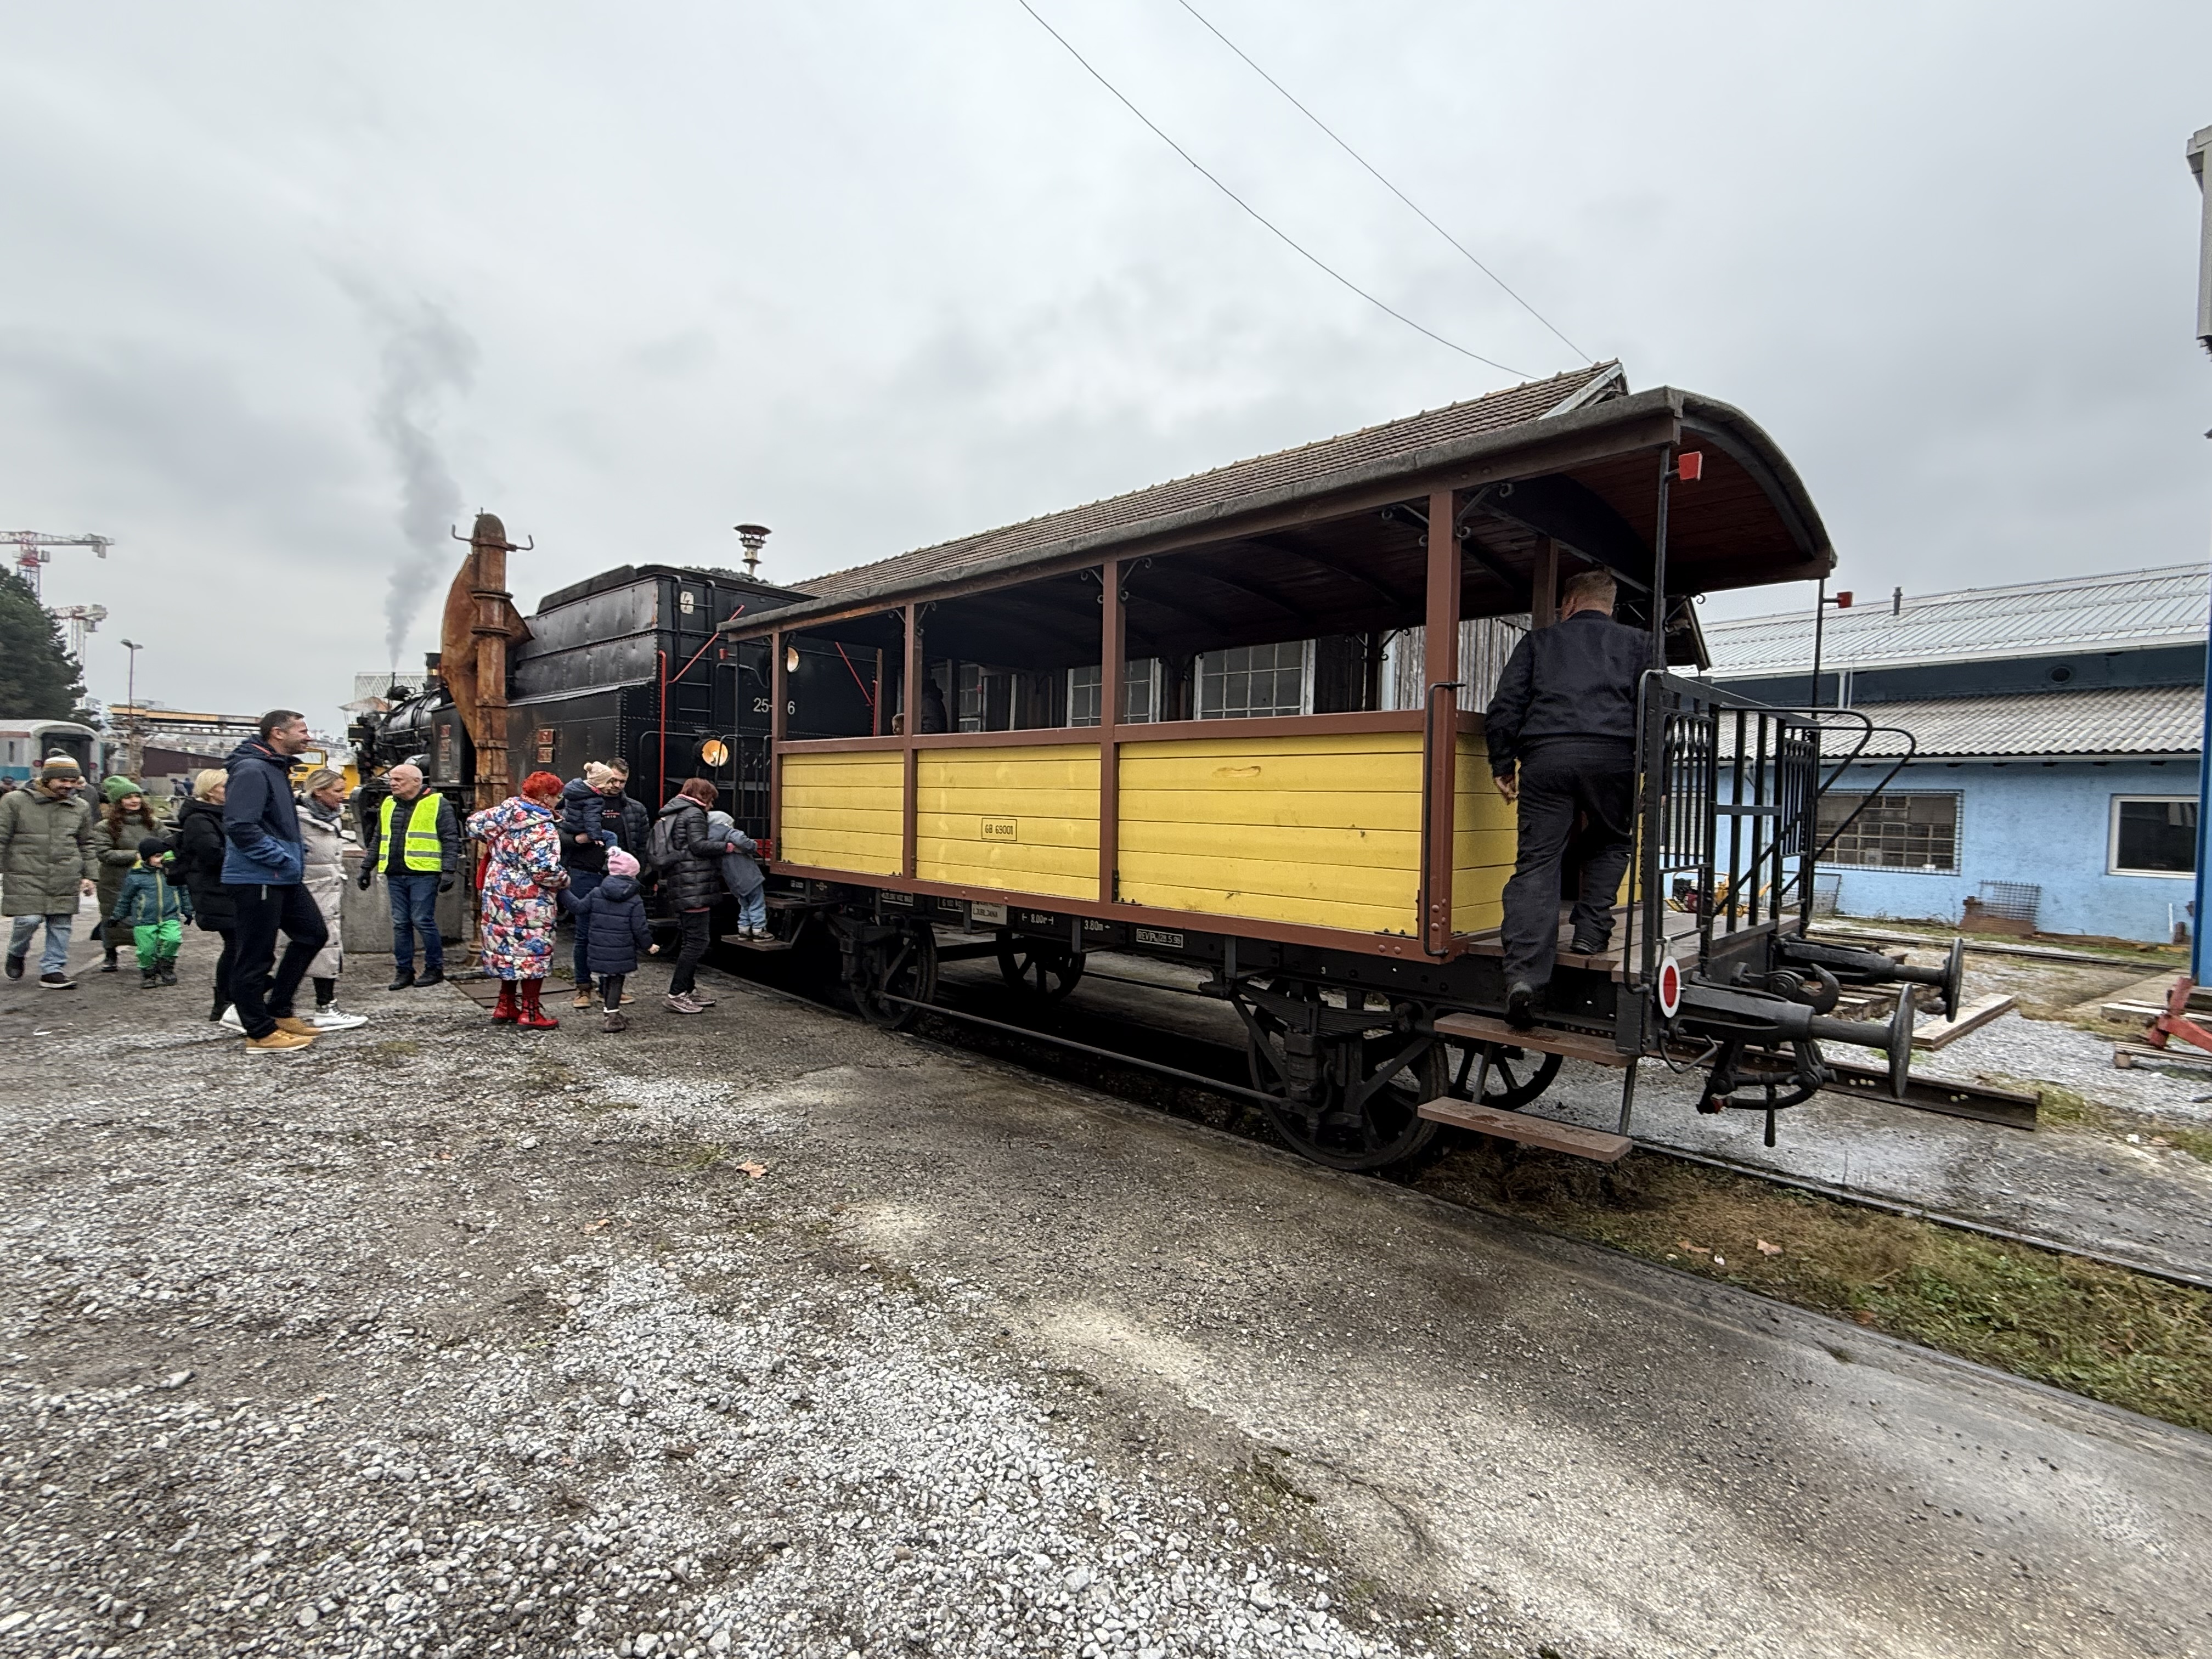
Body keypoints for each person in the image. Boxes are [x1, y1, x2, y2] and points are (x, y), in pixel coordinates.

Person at [1485, 569, 1654, 1030]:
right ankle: (1590, 934)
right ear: (1608, 605)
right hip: (1615, 757)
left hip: (1548, 757)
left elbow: (1505, 706)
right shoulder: (1641, 645)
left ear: (1571, 603)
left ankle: (1524, 976)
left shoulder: (1539, 643)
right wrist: (1649, 772)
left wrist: (1502, 763)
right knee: (1611, 840)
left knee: (1538, 861)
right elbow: (1658, 709)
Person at [223, 709, 327, 1055]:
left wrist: (295, 851)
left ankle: (279, 1010)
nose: (309, 737)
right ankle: (259, 1031)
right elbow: (240, 826)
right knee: (255, 954)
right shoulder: (253, 770)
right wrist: (281, 857)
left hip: (280, 874)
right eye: (303, 730)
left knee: (313, 934)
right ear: (278, 734)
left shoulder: (273, 768)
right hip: (259, 876)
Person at [466, 770, 569, 1029]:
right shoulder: (542, 827)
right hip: (529, 898)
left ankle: (505, 1005)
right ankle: (531, 1013)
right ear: (546, 798)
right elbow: (544, 871)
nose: (559, 801)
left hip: (498, 890)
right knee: (533, 951)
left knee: (507, 949)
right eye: (557, 796)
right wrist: (565, 880)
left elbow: (473, 824)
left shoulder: (504, 812)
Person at [557, 760, 653, 1009]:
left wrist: (637, 875)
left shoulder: (634, 809)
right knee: (584, 933)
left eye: (622, 782)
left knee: (615, 936)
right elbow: (556, 835)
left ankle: (609, 989)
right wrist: (577, 840)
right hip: (584, 871)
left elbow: (641, 845)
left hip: (617, 878)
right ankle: (583, 988)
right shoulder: (576, 801)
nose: (617, 786)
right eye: (613, 780)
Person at [357, 762, 459, 990]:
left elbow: (450, 838)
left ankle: (434, 969)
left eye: (398, 780)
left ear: (416, 782)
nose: (392, 784)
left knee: (422, 920)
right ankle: (404, 971)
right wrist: (366, 868)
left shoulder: (437, 803)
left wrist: (448, 871)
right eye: (391, 779)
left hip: (424, 872)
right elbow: (378, 838)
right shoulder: (388, 804)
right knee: (401, 923)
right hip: (395, 872)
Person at [0, 755, 96, 989]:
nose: (69, 786)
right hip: (25, 872)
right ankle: (16, 952)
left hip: (65, 873)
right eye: (63, 780)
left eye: (73, 781)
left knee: (61, 923)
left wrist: (90, 876)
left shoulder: (80, 807)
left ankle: (53, 970)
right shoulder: (14, 801)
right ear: (47, 778)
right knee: (28, 920)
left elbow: (86, 843)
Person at [651, 777, 738, 1015]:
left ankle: (688, 989)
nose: (711, 805)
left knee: (690, 939)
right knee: (698, 941)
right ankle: (677, 993)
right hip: (694, 884)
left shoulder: (676, 811)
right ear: (703, 796)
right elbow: (699, 846)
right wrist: (727, 847)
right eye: (710, 799)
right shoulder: (694, 814)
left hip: (683, 881)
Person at [296, 767, 367, 1030]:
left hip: (329, 889)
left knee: (329, 946)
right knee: (312, 946)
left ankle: (325, 1004)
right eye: (337, 791)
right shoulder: (298, 819)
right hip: (308, 890)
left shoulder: (332, 817)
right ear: (319, 791)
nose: (343, 796)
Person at [172, 770, 241, 1024]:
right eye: (225, 786)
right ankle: (225, 1001)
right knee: (235, 944)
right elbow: (213, 855)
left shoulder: (220, 815)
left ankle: (230, 999)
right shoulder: (199, 820)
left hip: (226, 889)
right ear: (211, 791)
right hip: (216, 890)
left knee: (239, 944)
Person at [563, 846, 656, 1031]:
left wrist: (562, 891)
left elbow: (578, 908)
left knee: (607, 978)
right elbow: (640, 927)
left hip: (598, 947)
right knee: (616, 981)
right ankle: (612, 1018)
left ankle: (610, 1013)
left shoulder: (597, 892)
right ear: (632, 875)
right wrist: (648, 945)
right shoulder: (634, 899)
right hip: (621, 949)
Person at [89, 777, 165, 973]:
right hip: (116, 881)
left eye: (137, 796)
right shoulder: (105, 827)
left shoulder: (154, 824)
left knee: (150, 917)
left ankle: (153, 954)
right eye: (128, 797)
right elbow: (104, 853)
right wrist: (137, 856)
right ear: (118, 802)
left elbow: (167, 844)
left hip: (149, 878)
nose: (134, 800)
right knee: (114, 917)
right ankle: (110, 953)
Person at [110, 838, 191, 988]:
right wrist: (117, 916)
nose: (162, 859)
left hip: (170, 916)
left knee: (173, 940)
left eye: (163, 855)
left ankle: (166, 965)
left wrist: (188, 910)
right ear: (147, 858)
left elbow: (183, 892)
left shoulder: (172, 872)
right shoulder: (136, 876)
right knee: (146, 950)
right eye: (157, 856)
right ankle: (149, 973)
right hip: (144, 919)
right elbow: (125, 898)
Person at [704, 808, 770, 940]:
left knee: (745, 903)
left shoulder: (711, 840)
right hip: (748, 876)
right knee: (757, 901)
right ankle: (759, 929)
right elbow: (745, 843)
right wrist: (754, 846)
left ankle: (744, 929)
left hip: (732, 879)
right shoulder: (730, 833)